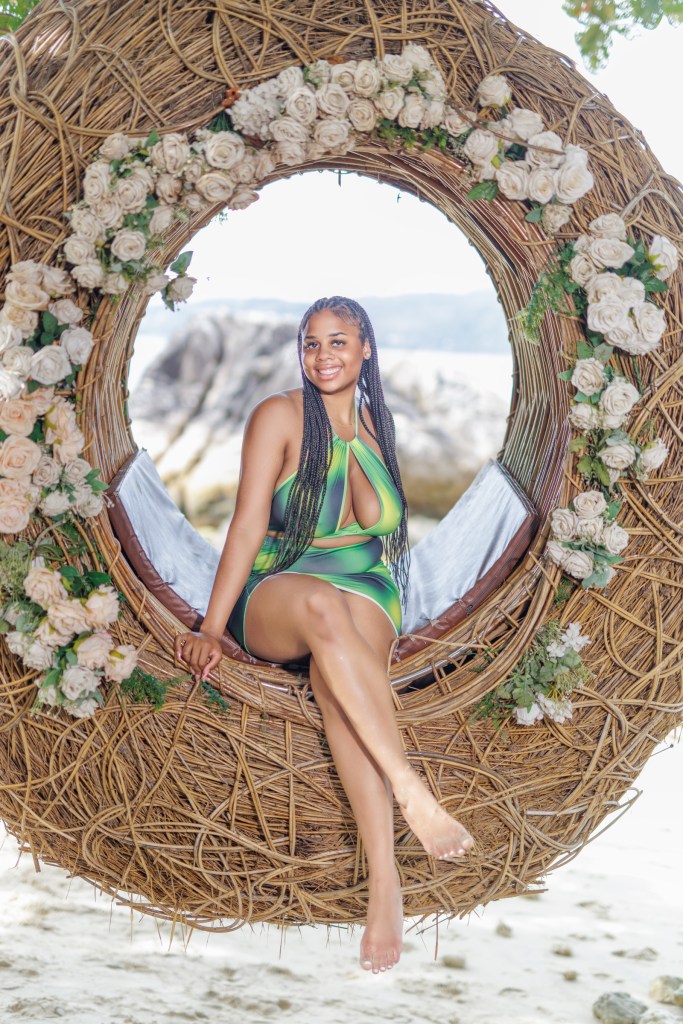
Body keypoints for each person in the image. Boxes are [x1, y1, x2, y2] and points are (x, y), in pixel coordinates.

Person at [174, 296, 475, 974]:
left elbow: (375, 538)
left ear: (365, 346)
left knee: (337, 680)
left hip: (367, 586)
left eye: (337, 342)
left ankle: (385, 885)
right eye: (310, 344)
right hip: (281, 586)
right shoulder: (277, 416)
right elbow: (248, 526)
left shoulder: (377, 424)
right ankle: (410, 790)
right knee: (320, 611)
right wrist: (210, 627)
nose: (322, 356)